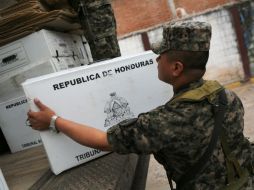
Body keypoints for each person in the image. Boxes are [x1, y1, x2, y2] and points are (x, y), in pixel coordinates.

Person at [28, 21, 253, 189]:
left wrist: (54, 121)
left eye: (160, 55)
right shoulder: (227, 96)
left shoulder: (163, 121)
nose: (156, 60)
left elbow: (103, 141)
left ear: (176, 68)